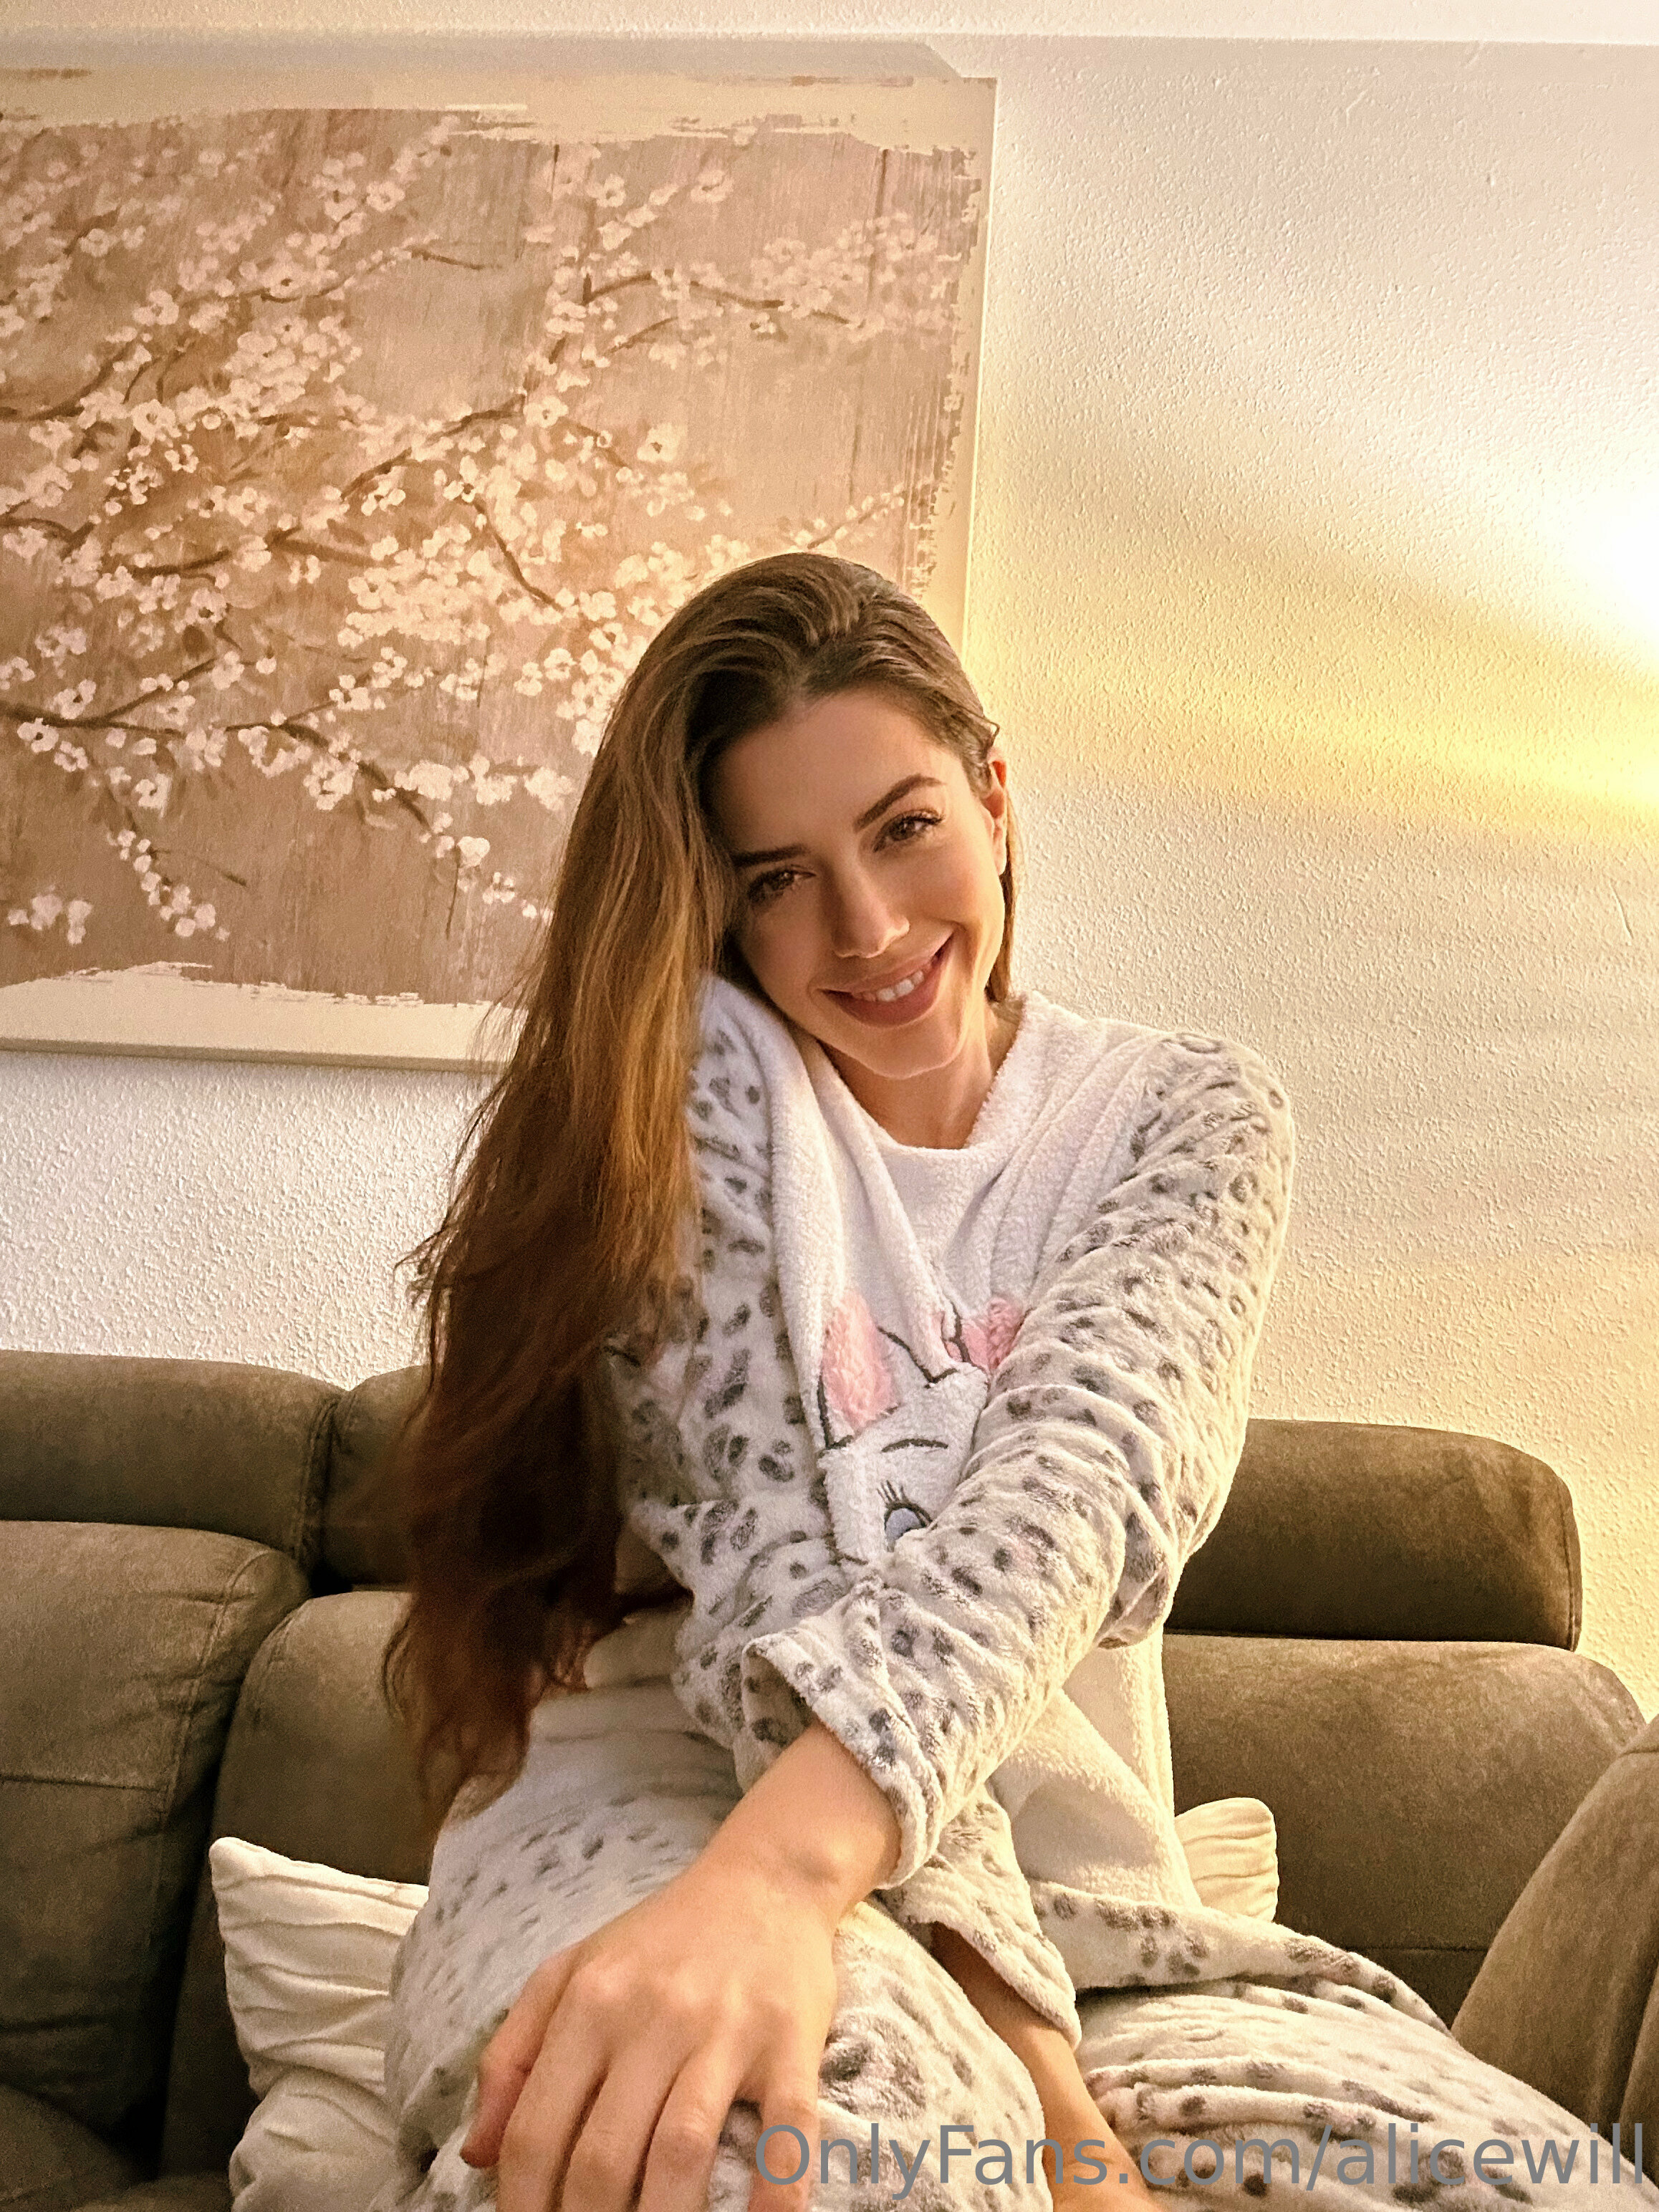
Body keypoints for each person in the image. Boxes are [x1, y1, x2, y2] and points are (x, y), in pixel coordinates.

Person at [370, 553, 1658, 2212]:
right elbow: (795, 1590)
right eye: (779, 878)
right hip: (671, 1823)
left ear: (993, 796)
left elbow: (1072, 1501)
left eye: (903, 827)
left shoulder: (1181, 1118)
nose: (867, 927)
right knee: (812, 2156)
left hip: (1074, 1904)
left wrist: (1045, 2066)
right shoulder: (688, 1092)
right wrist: (1051, 2120)